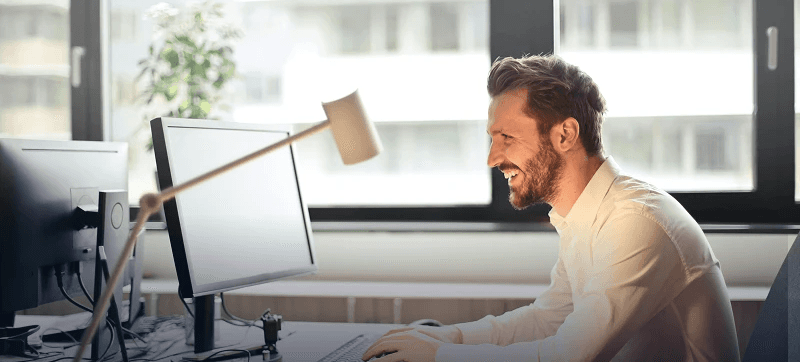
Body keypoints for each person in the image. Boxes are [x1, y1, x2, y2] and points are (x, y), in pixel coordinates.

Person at [361, 54, 741, 362]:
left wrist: (439, 355)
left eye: (506, 137)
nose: (493, 158)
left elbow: (569, 355)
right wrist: (448, 337)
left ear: (565, 134)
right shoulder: (586, 216)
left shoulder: (636, 222)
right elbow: (549, 320)